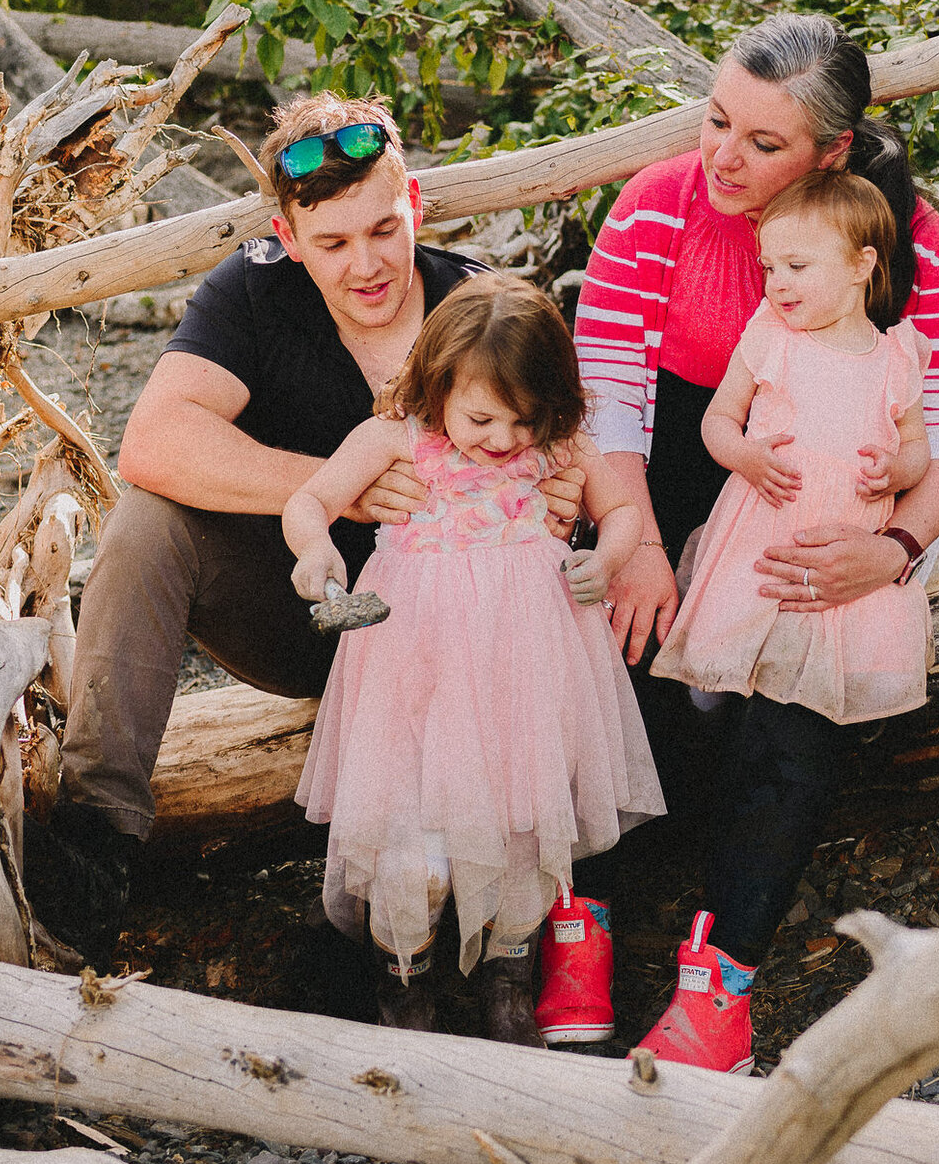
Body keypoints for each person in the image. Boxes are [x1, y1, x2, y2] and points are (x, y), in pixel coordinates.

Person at [34, 93, 582, 967]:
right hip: (304, 613)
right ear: (290, 240)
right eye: (331, 243)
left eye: (383, 229)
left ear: (418, 209)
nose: (366, 263)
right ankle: (95, 840)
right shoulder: (252, 288)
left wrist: (563, 495)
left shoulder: (480, 303)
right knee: (146, 524)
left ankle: (532, 921)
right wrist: (337, 493)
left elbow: (571, 447)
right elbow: (154, 440)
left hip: (463, 647)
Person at [540, 12, 939, 1070]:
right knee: (612, 638)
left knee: (804, 689)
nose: (722, 157)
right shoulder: (656, 208)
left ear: (831, 153)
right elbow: (608, 395)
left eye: (763, 143)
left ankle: (721, 983)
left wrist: (897, 549)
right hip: (670, 470)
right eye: (716, 120)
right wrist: (633, 535)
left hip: (827, 503)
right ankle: (578, 916)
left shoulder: (905, 243)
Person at [283, 275, 661, 1042]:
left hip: (525, 661)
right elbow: (309, 500)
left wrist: (608, 555)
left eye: (524, 419)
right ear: (438, 380)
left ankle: (509, 977)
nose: (502, 439)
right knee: (411, 846)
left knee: (525, 825)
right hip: (414, 664)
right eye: (482, 416)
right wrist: (316, 547)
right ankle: (403, 984)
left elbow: (619, 506)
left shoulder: (558, 444)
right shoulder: (397, 434)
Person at [652, 171, 933, 725]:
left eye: (796, 267)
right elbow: (718, 421)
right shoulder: (771, 336)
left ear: (860, 265)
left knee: (825, 672)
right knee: (731, 659)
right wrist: (745, 456)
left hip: (846, 543)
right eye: (769, 268)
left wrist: (897, 471)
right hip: (764, 531)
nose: (777, 283)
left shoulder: (897, 358)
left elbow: (921, 447)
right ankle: (714, 711)